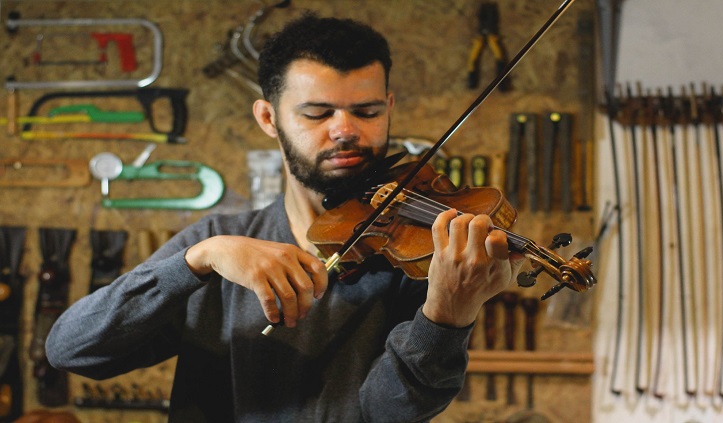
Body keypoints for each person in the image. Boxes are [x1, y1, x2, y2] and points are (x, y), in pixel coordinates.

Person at [46, 13, 524, 422]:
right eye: (317, 113)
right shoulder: (218, 244)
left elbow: (390, 413)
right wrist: (196, 260)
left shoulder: (420, 256)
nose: (345, 131)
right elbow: (73, 350)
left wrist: (445, 317)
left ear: (389, 108)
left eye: (367, 111)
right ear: (269, 118)